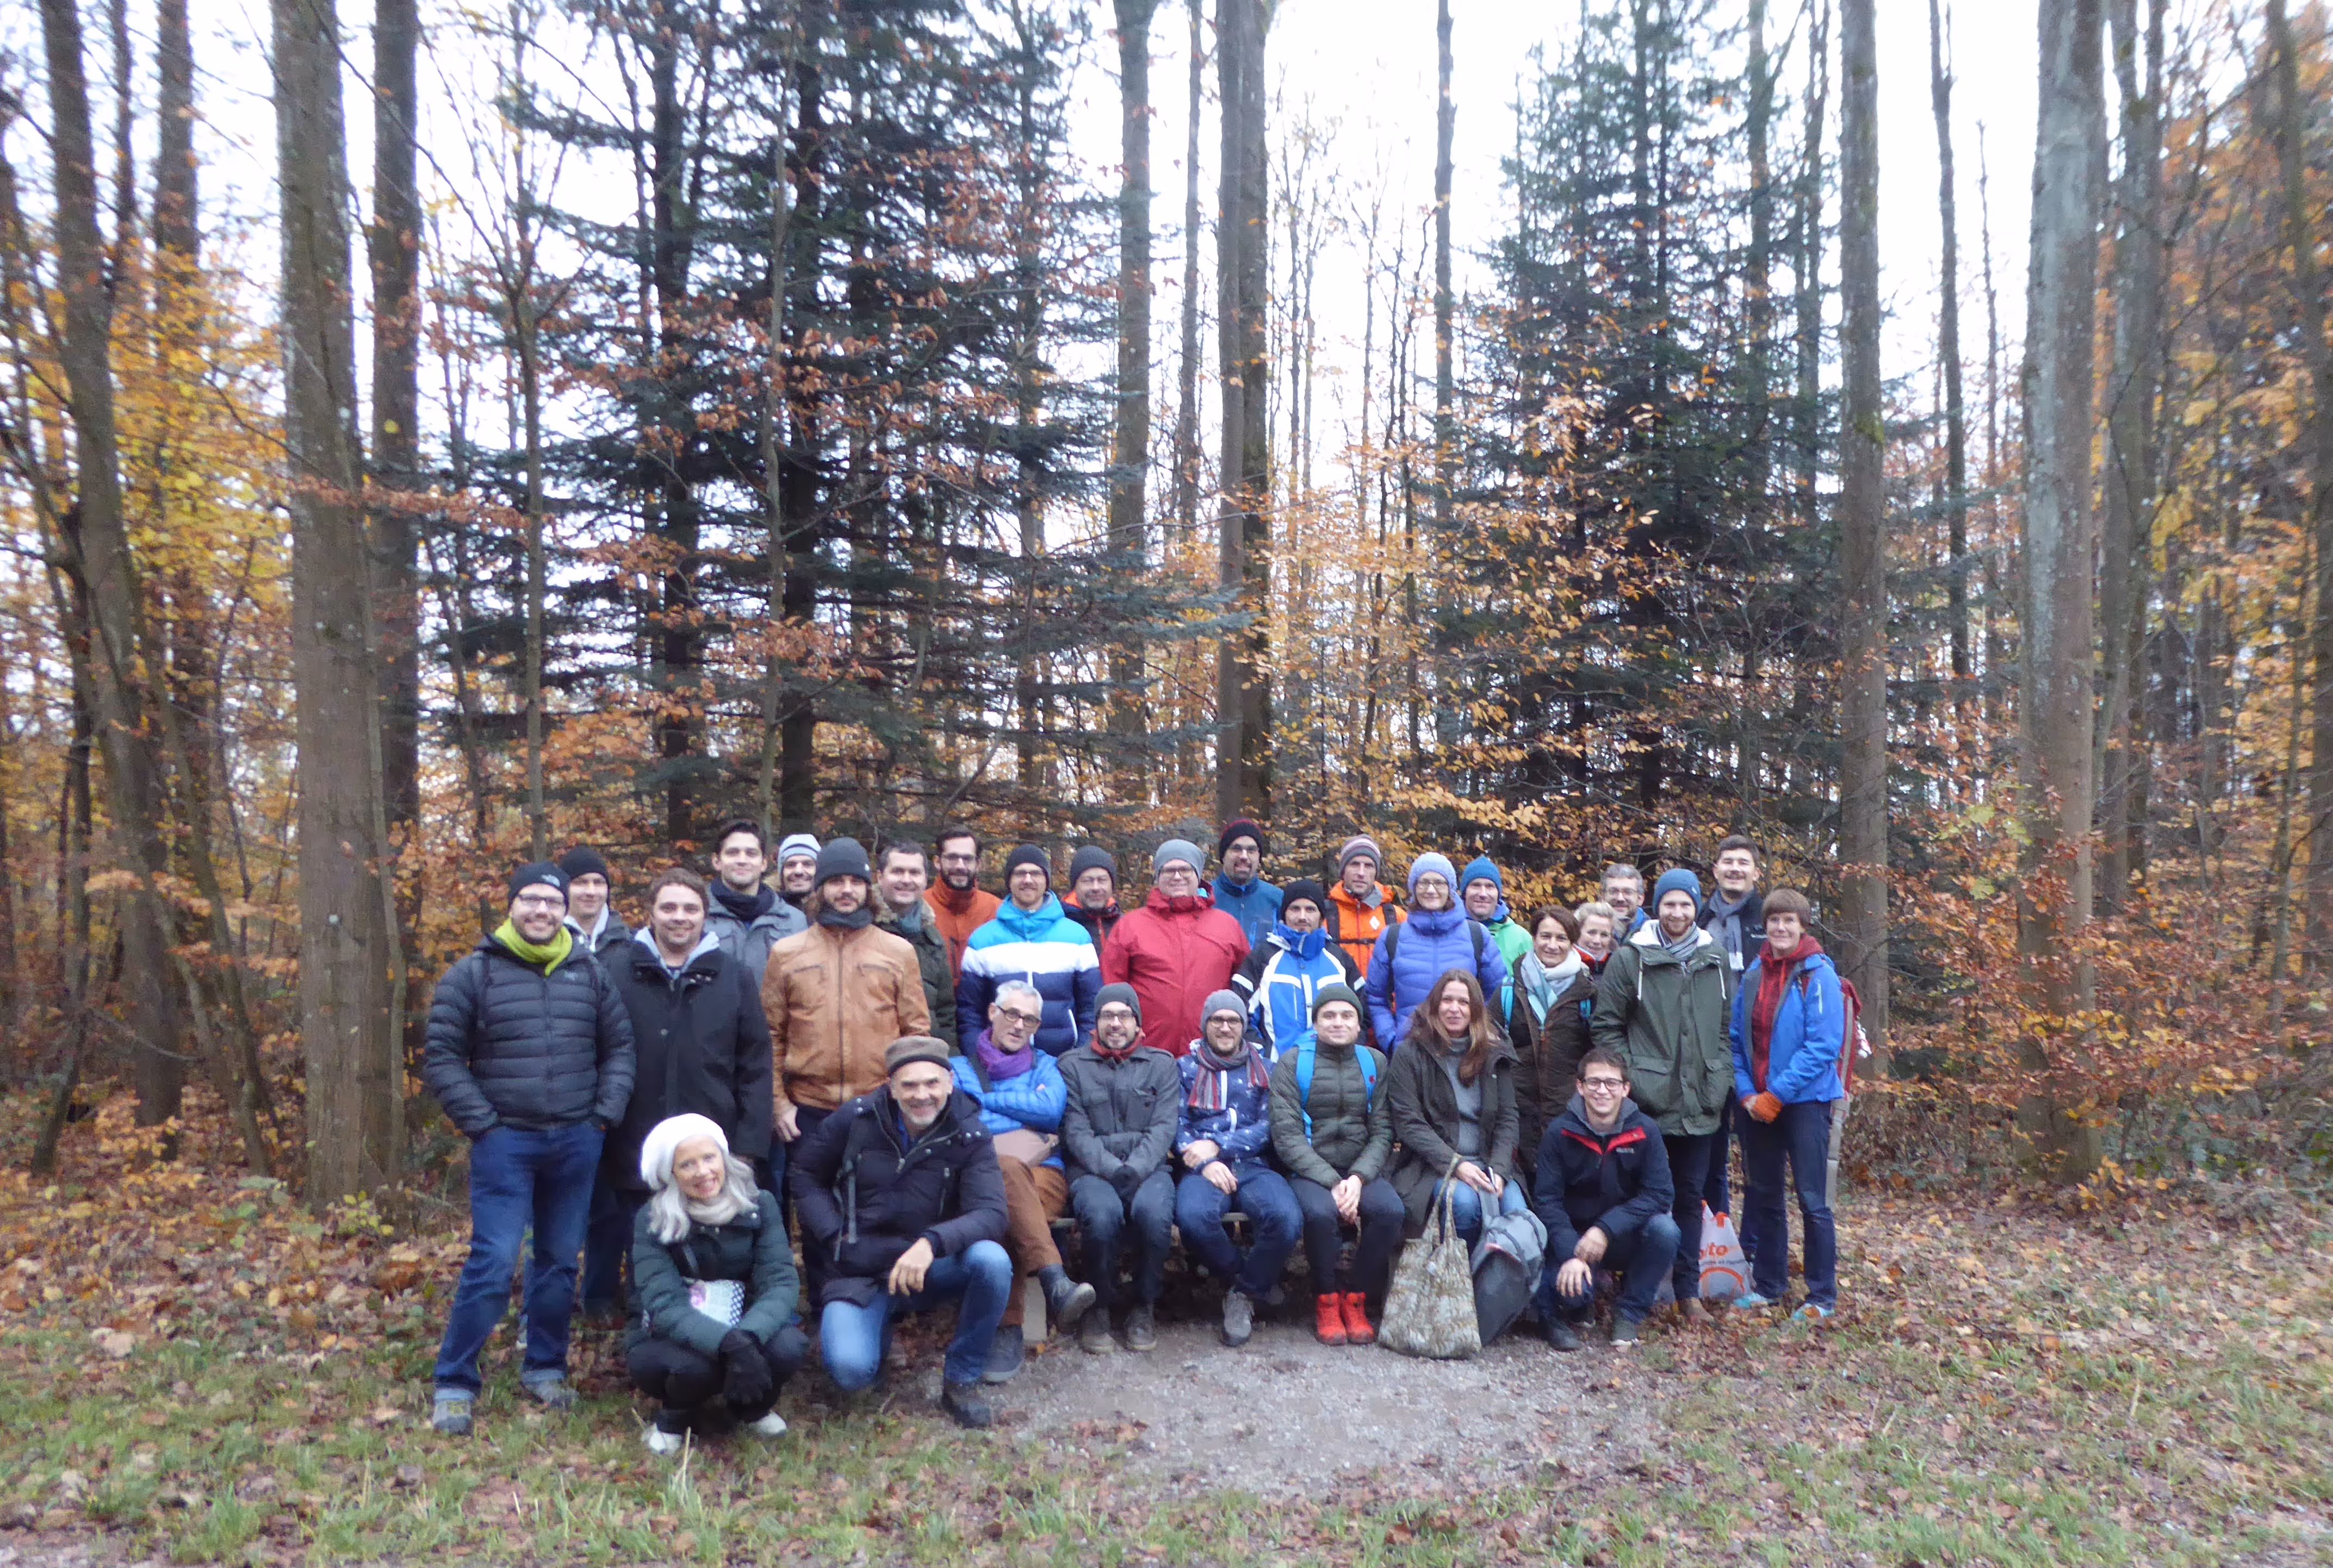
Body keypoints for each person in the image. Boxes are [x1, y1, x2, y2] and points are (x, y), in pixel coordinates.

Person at [423, 861, 637, 1436]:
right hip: (506, 1144)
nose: (542, 911)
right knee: (492, 1262)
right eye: (531, 901)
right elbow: (442, 1056)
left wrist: (601, 1116)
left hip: (576, 1141)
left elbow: (619, 1048)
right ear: (512, 905)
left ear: (567, 909)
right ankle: (455, 1381)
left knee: (560, 1262)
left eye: (552, 901)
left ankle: (544, 1367)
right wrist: (484, 1124)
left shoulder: (588, 972)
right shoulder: (474, 974)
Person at [790, 1036, 1013, 1428]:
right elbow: (805, 1174)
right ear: (891, 1087)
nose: (921, 1095)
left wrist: (933, 1242)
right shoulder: (855, 1120)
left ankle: (961, 1378)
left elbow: (991, 1213)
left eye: (931, 1083)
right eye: (909, 1085)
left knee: (992, 1261)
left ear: (949, 1081)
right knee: (851, 1373)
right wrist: (833, 1234)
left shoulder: (969, 1133)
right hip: (862, 1271)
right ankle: (877, 1335)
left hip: (929, 1267)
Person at [592, 870, 774, 1319]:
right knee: (646, 1238)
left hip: (714, 1138)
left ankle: (717, 1328)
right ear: (651, 913)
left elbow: (755, 1062)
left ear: (704, 915)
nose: (679, 918)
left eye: (690, 909)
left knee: (713, 1241)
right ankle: (646, 1328)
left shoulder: (733, 975)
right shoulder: (615, 970)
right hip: (634, 1135)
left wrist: (749, 1145)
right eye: (668, 908)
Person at [1590, 867, 1733, 1326]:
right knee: (1639, 1196)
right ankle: (1634, 1287)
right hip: (1648, 1105)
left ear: (1696, 907)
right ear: (1658, 905)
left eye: (1685, 904)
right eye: (1669, 903)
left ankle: (1688, 1293)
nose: (1677, 912)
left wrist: (1720, 1076)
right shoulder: (1633, 957)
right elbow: (1607, 1027)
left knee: (1691, 1197)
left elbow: (1726, 1030)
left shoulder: (1715, 959)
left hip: (1701, 1104)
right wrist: (1636, 1079)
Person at [626, 1114, 807, 1452]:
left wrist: (747, 1337)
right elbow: (664, 1303)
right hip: (668, 1335)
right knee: (695, 1368)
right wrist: (730, 1345)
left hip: (745, 1321)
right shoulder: (652, 1218)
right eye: (687, 1164)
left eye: (709, 1158)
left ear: (723, 1158)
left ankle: (751, 1406)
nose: (704, 1172)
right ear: (671, 1174)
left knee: (788, 1347)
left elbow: (780, 1281)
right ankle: (674, 1417)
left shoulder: (760, 1204)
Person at [951, 981, 1097, 1380]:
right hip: (981, 1176)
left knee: (1004, 1198)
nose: (1019, 1025)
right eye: (1012, 1014)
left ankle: (1008, 1330)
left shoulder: (1046, 1064)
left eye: (1030, 1019)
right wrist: (1021, 1119)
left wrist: (987, 1101)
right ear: (992, 1013)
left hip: (1045, 1177)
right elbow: (961, 1121)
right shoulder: (958, 1068)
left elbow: (1051, 1112)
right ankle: (1054, 1281)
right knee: (1005, 1178)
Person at [762, 839, 930, 1163]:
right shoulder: (787, 953)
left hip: (879, 1106)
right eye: (837, 881)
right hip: (807, 1111)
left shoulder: (897, 951)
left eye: (856, 882)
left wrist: (905, 1100)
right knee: (810, 1206)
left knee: (876, 1205)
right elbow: (770, 1037)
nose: (847, 890)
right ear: (820, 888)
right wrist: (780, 1105)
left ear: (869, 890)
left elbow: (916, 1034)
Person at [1728, 888, 1842, 1320]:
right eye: (1774, 920)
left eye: (1788, 921)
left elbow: (1823, 1047)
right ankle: (1770, 1286)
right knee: (1764, 1196)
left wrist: (1777, 1095)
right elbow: (1737, 1040)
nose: (1780, 927)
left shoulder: (1819, 976)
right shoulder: (1756, 972)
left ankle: (1820, 1295)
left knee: (1814, 1200)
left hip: (1806, 1104)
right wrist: (1747, 1095)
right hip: (1756, 1104)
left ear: (1802, 926)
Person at [1267, 984, 1398, 1347]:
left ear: (1359, 1025)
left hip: (1360, 1170)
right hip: (1309, 1171)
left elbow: (1383, 1130)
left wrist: (1357, 1178)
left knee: (1389, 1211)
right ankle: (1325, 1299)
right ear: (1316, 1022)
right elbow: (1287, 1135)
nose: (1338, 1023)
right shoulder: (1293, 1063)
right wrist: (1331, 1181)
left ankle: (1355, 1298)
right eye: (1329, 1016)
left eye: (1347, 1016)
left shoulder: (1375, 1062)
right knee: (1321, 1214)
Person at [1173, 992, 1301, 1347]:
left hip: (1253, 1163)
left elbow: (1271, 1125)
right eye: (1218, 1020)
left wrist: (1221, 1146)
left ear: (1244, 1027)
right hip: (1201, 1167)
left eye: (1234, 1021)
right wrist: (1207, 1161)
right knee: (1194, 1217)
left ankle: (1242, 1295)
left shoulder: (1267, 1069)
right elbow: (1175, 1125)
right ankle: (1248, 1281)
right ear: (1206, 1025)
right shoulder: (1184, 1068)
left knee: (1285, 1218)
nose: (1226, 1027)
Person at [1530, 1047, 1680, 1349]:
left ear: (1625, 1089)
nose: (1602, 1091)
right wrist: (1571, 1253)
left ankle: (1628, 1313)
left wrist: (1605, 1230)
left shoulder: (1646, 1131)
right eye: (1594, 1082)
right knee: (1571, 1292)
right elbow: (1547, 1201)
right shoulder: (1559, 1132)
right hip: (1573, 1239)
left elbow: (1660, 1194)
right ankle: (1580, 1303)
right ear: (1580, 1087)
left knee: (1666, 1231)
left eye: (1611, 1083)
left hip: (1623, 1237)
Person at [1058, 984, 1179, 1354]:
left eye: (1124, 1015)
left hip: (1149, 1168)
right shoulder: (1072, 1066)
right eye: (1107, 1016)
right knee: (1101, 1216)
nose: (1116, 1023)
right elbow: (1076, 1131)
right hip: (1093, 1171)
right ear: (1095, 1023)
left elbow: (1164, 1127)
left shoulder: (1161, 1064)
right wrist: (1112, 1169)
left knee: (1155, 1216)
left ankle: (1144, 1305)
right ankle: (1101, 1305)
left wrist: (1138, 1167)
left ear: (1137, 1023)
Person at [1386, 970, 1525, 1246]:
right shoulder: (1411, 1053)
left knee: (1517, 1215)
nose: (1454, 1009)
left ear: (1475, 1009)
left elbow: (1509, 1118)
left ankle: (1498, 1282)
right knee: (1465, 1204)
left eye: (1463, 1002)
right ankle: (1463, 1278)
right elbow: (1408, 1122)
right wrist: (1456, 1165)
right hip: (1433, 1165)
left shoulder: (1494, 1053)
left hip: (1489, 1160)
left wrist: (1498, 1168)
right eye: (1447, 1000)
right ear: (1435, 1005)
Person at [1100, 839, 1250, 1060]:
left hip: (1211, 1054)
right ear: (1158, 876)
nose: (1177, 877)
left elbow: (1245, 988)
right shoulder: (1130, 926)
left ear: (1198, 875)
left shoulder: (1227, 926)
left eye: (1185, 870)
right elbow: (1111, 987)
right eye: (1169, 870)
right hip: (1146, 1053)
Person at [954, 845, 1101, 1057]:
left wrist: (1082, 1056)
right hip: (1000, 1062)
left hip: (1065, 1059)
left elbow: (1091, 1007)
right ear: (1009, 881)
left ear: (1046, 880)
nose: (1028, 880)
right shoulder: (982, 940)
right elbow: (970, 1013)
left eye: (1035, 873)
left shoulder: (1077, 937)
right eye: (1020, 873)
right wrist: (978, 1058)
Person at [1364, 853, 1510, 1053]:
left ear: (1450, 889)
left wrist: (1478, 1035)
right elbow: (1376, 996)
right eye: (1423, 882)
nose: (1431, 890)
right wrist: (1390, 1039)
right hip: (1410, 1051)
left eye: (1439, 883)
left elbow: (1497, 994)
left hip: (1464, 1053)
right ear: (1414, 888)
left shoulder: (1477, 935)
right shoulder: (1392, 937)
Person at [1698, 836, 1767, 1223]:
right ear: (1716, 869)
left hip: (1756, 1053)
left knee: (1758, 1159)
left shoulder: (1769, 918)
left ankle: (1753, 1246)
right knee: (1710, 1152)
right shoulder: (1699, 918)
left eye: (1743, 862)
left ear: (1756, 872)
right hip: (1706, 1050)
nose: (1735, 869)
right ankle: (1715, 1241)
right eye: (1728, 862)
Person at [1229, 877, 1361, 1055]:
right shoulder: (1262, 958)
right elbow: (1239, 1012)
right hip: (1275, 1070)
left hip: (1333, 1069)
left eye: (1310, 910)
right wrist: (1261, 1055)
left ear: (1321, 917)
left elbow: (1363, 1012)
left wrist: (1350, 1055)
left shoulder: (1339, 958)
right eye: (1295, 909)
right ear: (1284, 915)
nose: (1302, 917)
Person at [1510, 906, 1594, 1182]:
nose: (1552, 945)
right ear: (1533, 938)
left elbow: (1597, 1051)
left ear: (1572, 943)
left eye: (1561, 938)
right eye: (1545, 936)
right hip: (1519, 1111)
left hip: (1569, 1111)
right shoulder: (1510, 990)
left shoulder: (1588, 993)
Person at [874, 840, 957, 1051]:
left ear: (925, 880)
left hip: (923, 1058)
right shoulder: (862, 930)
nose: (906, 880)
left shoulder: (932, 938)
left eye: (914, 873)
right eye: (898, 872)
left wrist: (948, 1060)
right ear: (880, 877)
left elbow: (945, 1011)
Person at [703, 819, 807, 984]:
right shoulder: (696, 916)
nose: (742, 860)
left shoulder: (794, 921)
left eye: (751, 853)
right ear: (717, 861)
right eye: (733, 853)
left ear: (764, 863)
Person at [925, 827, 1002, 980]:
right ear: (938, 862)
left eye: (967, 859)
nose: (960, 866)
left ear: (978, 864)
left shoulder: (996, 909)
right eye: (952, 858)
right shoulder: (919, 907)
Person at [1324, 835, 1404, 977]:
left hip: (1384, 999)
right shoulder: (1324, 915)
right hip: (1340, 998)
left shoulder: (1397, 917)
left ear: (1376, 873)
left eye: (1369, 866)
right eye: (1355, 864)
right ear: (1343, 870)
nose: (1361, 873)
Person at [1209, 818, 1283, 948]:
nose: (1244, 856)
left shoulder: (1278, 899)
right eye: (1236, 849)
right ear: (1223, 856)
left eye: (1251, 850)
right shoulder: (1205, 897)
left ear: (1259, 857)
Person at [1460, 857, 1534, 972]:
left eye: (1490, 886)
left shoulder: (1521, 938)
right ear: (1464, 893)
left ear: (1498, 894)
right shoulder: (1449, 932)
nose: (1483, 894)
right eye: (1476, 885)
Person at [560, 847, 631, 964]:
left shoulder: (630, 945)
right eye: (581, 882)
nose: (591, 892)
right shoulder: (547, 944)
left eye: (598, 883)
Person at [1063, 844, 1124, 949]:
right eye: (1087, 881)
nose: (1095, 888)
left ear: (1112, 885)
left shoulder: (1126, 926)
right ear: (1075, 886)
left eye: (1102, 880)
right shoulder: (1059, 928)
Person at [774, 832, 821, 914]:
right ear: (781, 873)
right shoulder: (764, 911)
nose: (798, 871)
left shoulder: (832, 914)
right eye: (791, 865)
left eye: (807, 864)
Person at [1600, 863, 1648, 937]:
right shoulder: (1588, 932)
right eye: (1613, 891)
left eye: (1628, 892)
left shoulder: (1652, 934)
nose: (1620, 898)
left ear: (1640, 899)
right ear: (1602, 897)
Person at [1573, 900, 1620, 974]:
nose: (1597, 941)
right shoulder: (1562, 965)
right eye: (1591, 933)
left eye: (1604, 935)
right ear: (1577, 932)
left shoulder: (1620, 969)